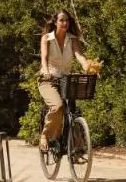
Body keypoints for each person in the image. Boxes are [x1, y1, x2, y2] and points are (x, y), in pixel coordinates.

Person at [37, 9, 100, 152]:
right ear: (55, 22)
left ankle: (76, 148)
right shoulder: (46, 38)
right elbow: (44, 58)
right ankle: (45, 136)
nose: (65, 23)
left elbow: (79, 55)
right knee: (58, 106)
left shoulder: (72, 39)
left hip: (66, 80)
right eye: (62, 20)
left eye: (67, 20)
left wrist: (87, 65)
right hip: (48, 79)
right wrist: (46, 71)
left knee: (73, 112)